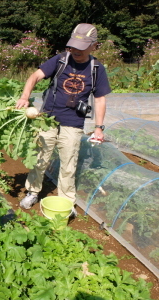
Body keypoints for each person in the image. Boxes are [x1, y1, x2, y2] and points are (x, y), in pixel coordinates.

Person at [16, 23, 111, 212]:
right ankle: (33, 192)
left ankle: (66, 201)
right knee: (40, 158)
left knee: (69, 164)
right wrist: (25, 96)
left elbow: (100, 100)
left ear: (94, 45)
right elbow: (35, 76)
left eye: (81, 47)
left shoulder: (96, 69)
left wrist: (99, 127)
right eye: (73, 46)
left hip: (74, 122)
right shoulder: (61, 60)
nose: (75, 50)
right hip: (48, 119)